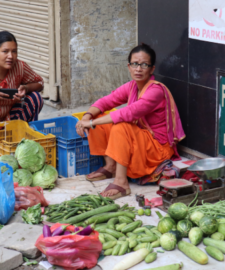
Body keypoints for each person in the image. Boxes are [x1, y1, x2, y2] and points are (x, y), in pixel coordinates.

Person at [75, 43, 185, 199]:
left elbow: (128, 113)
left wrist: (90, 124)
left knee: (120, 126)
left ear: (152, 69)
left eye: (144, 65)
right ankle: (110, 166)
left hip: (157, 148)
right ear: (128, 66)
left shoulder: (156, 91)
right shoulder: (132, 86)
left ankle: (121, 182)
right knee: (99, 117)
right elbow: (105, 101)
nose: (138, 69)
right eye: (135, 64)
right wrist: (87, 117)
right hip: (141, 140)